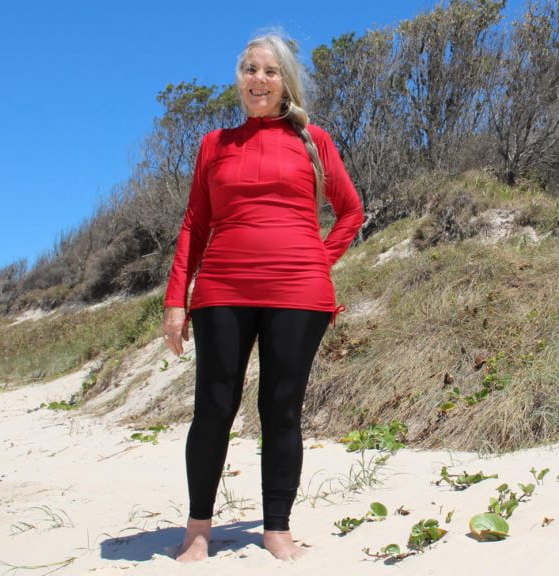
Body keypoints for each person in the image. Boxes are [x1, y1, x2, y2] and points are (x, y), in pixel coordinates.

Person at [160, 32, 363, 562]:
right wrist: (175, 300)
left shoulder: (312, 141)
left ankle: (277, 527)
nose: (259, 79)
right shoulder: (214, 144)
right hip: (222, 288)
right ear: (239, 79)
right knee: (213, 408)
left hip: (298, 290)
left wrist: (318, 262)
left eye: (270, 71)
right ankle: (198, 529)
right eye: (250, 69)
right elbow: (194, 224)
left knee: (281, 409)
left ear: (285, 81)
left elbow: (350, 211)